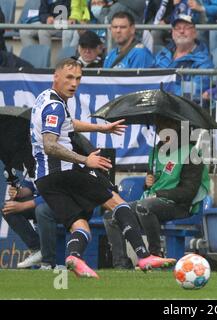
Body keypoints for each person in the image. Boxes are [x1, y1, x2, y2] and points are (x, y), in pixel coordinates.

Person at [30, 58, 176, 278]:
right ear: (56, 76)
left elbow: (68, 124)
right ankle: (144, 256)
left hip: (44, 179)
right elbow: (50, 145)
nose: (74, 83)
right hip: (65, 170)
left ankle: (74, 257)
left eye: (78, 78)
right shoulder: (55, 106)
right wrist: (84, 160)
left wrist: (102, 128)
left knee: (80, 226)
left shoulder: (46, 98)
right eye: (69, 77)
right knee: (116, 201)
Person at [103, 117, 210, 268]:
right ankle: (121, 265)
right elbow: (154, 185)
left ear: (178, 128)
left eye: (168, 126)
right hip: (154, 202)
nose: (163, 131)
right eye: (160, 127)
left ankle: (155, 255)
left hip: (180, 206)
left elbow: (188, 192)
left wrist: (160, 194)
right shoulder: (155, 151)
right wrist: (148, 184)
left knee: (144, 207)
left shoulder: (191, 153)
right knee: (112, 215)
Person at [2, 175, 58, 269]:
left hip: (61, 204)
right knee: (7, 208)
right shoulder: (30, 163)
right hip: (41, 201)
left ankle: (47, 262)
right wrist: (19, 192)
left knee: (41, 210)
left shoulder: (52, 162)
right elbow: (30, 187)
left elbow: (55, 194)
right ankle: (37, 249)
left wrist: (23, 205)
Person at [154, 13, 214, 102]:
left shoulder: (204, 61)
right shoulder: (162, 54)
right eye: (177, 28)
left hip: (185, 110)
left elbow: (196, 90)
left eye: (186, 27)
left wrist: (164, 91)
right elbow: (151, 79)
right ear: (173, 33)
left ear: (195, 32)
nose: (181, 31)